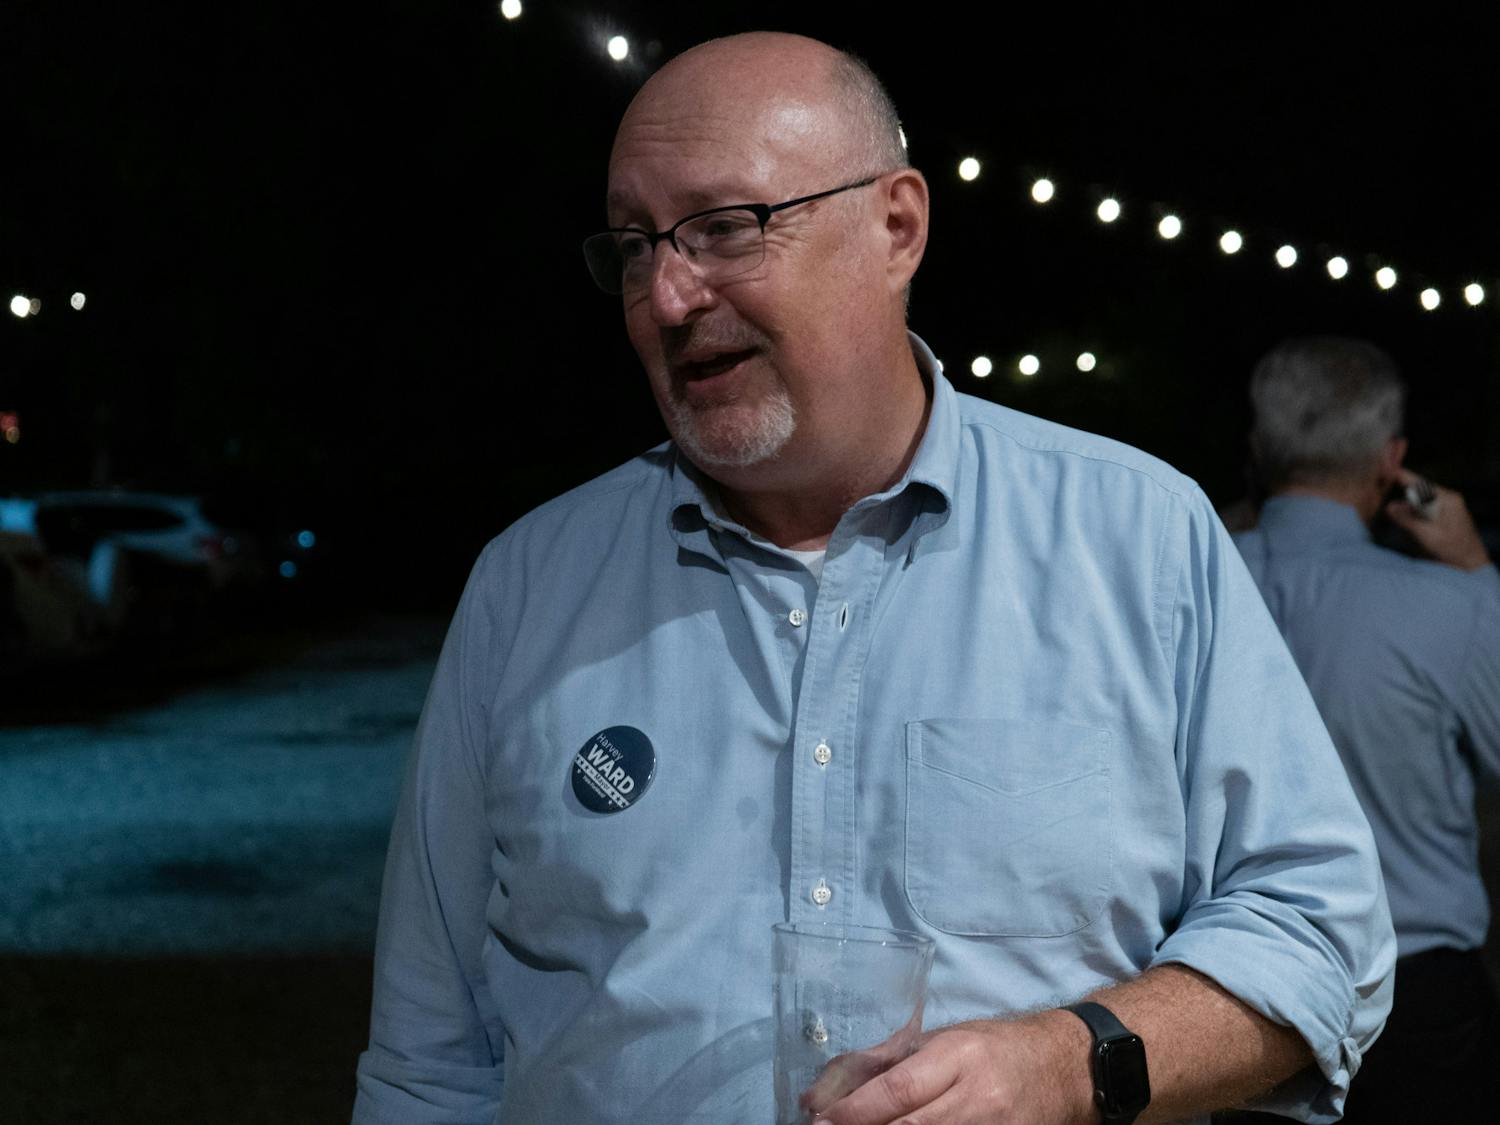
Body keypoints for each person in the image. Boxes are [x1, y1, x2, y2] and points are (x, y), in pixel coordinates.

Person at [353, 33, 1394, 1125]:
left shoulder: (1138, 537)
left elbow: (1319, 929)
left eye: (724, 227)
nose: (666, 295)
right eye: (634, 245)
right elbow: (429, 1060)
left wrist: (1068, 1064)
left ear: (897, 226)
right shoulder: (528, 587)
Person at [1231, 336, 1500, 1123]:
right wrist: (1478, 572)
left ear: (1259, 448)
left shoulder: (1184, 574)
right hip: (1419, 997)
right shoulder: (1451, 605)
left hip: (1230, 989)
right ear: (1392, 460)